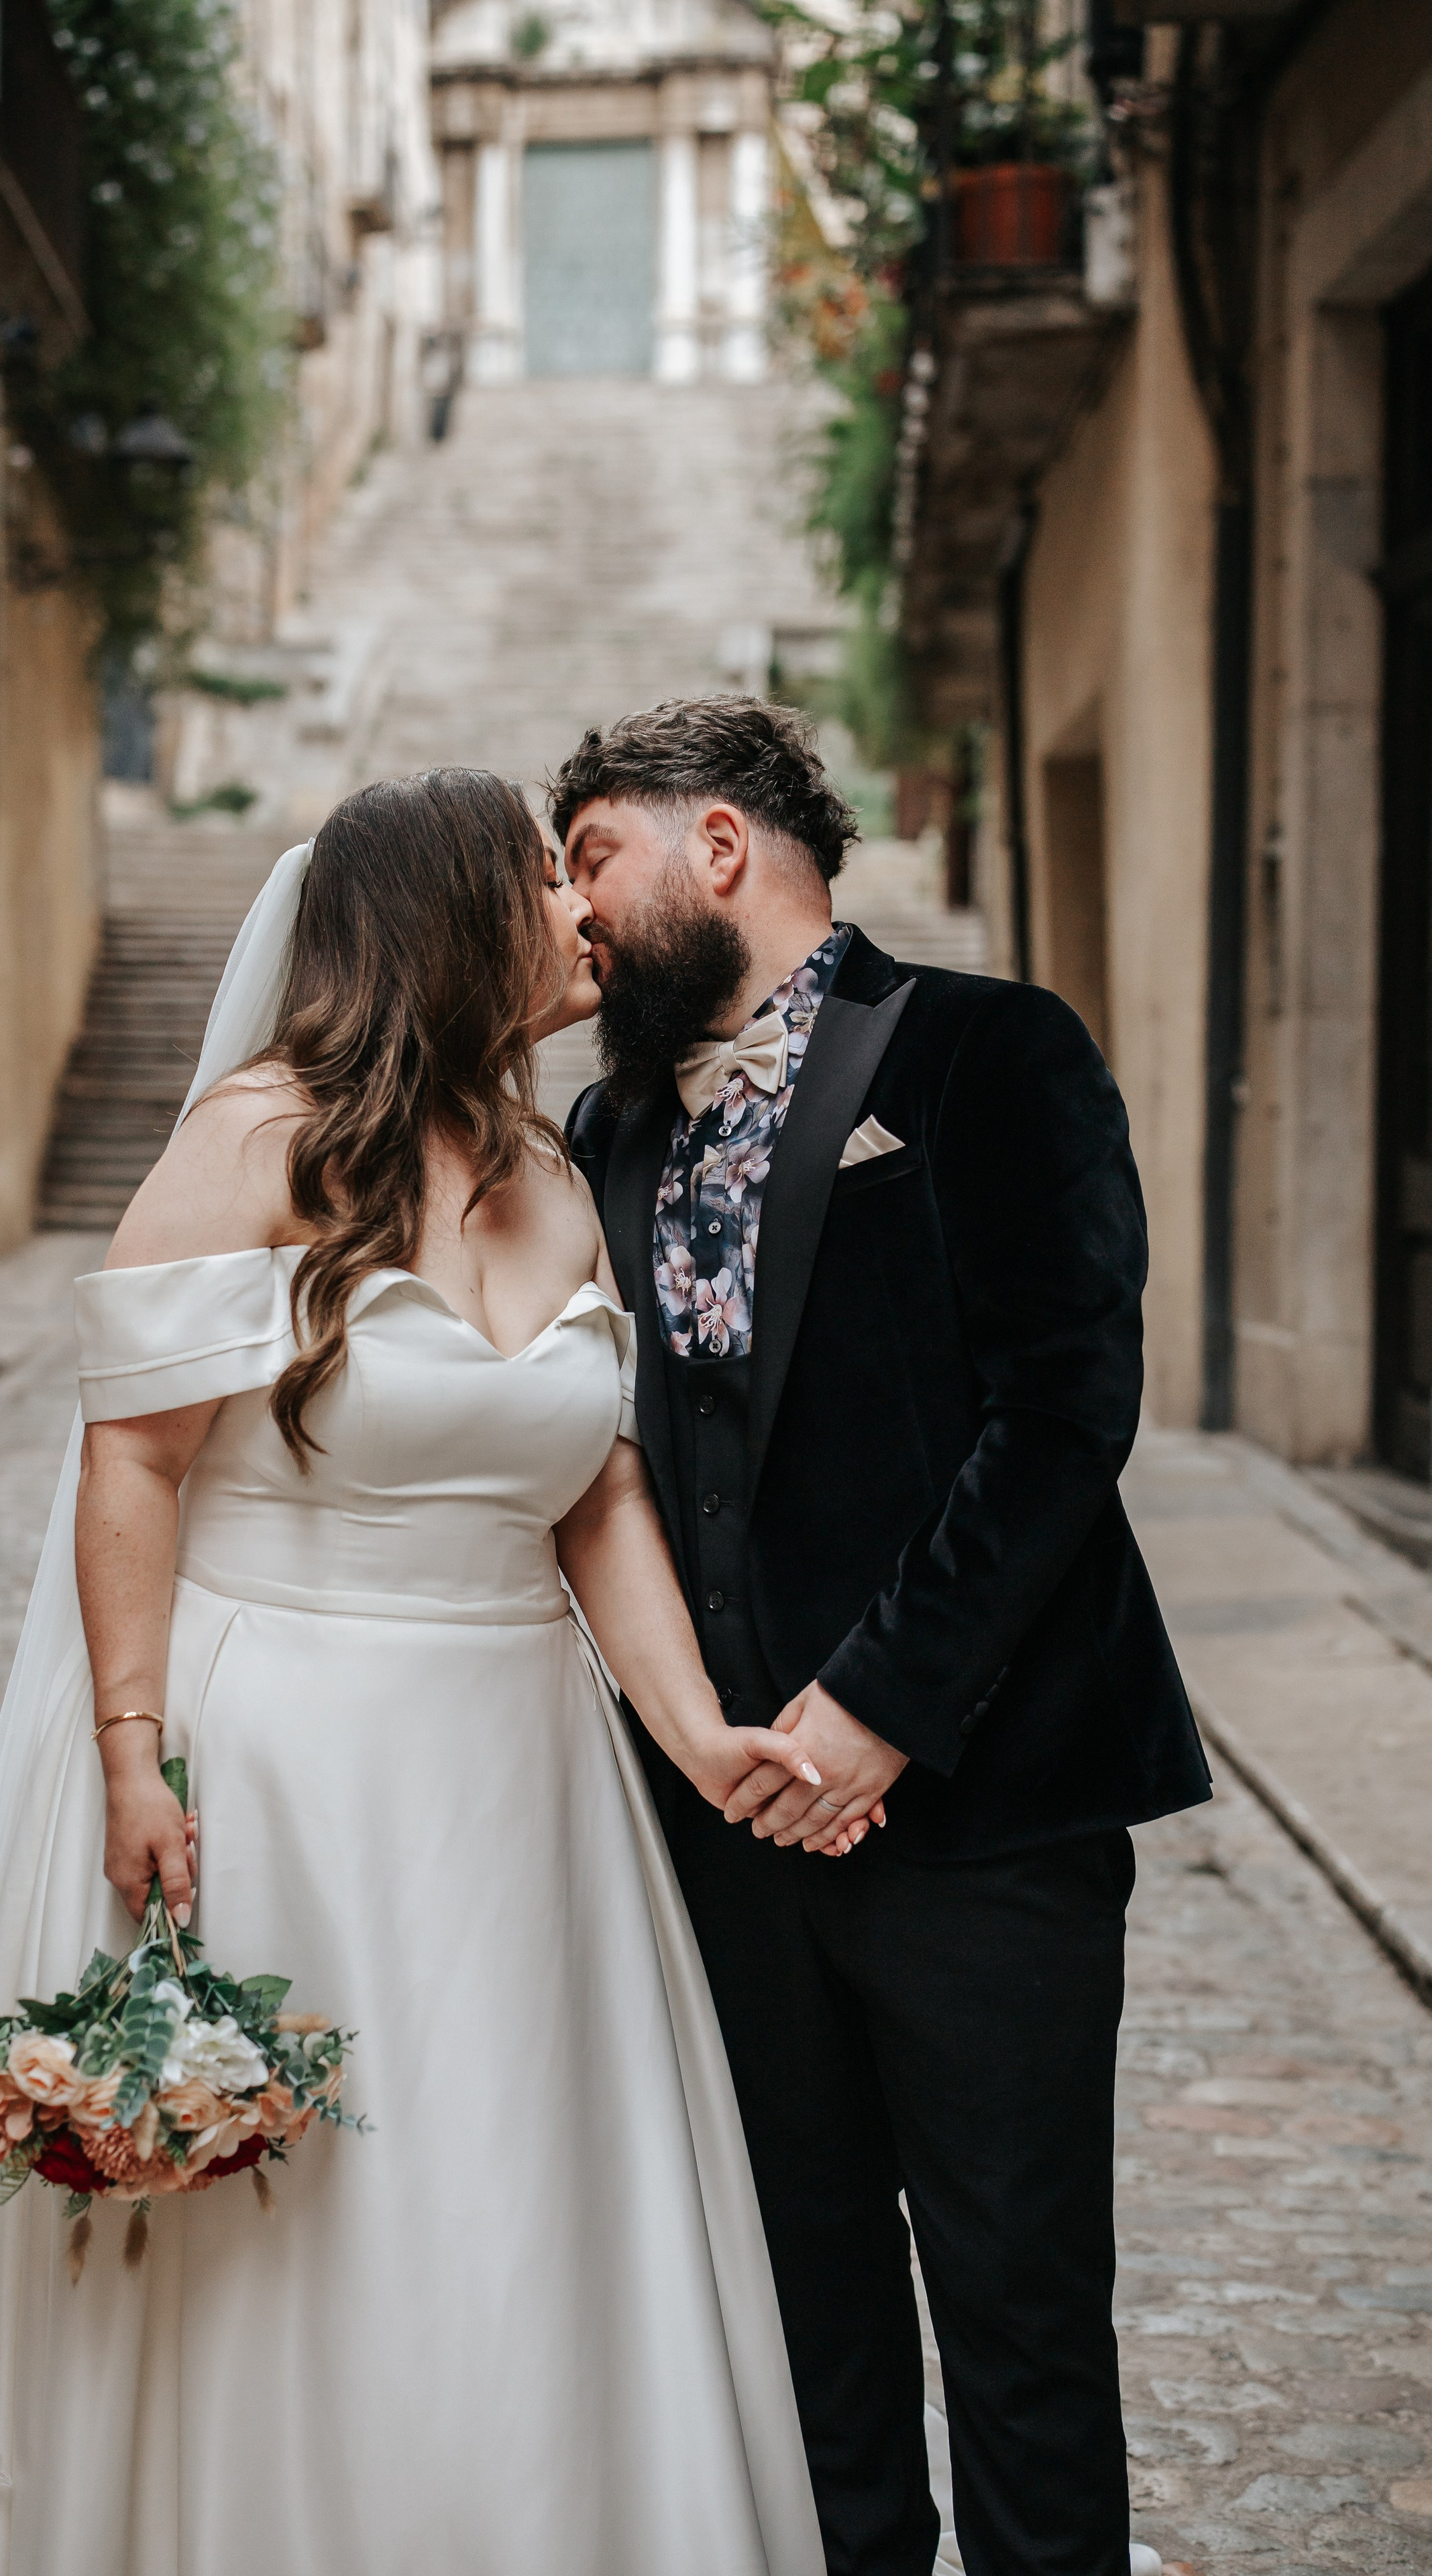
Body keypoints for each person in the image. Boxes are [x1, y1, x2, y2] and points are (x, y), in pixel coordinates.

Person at [0, 772, 833, 2576]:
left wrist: (695, 1728)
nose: (584, 915)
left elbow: (594, 1493)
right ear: (445, 919)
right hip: (299, 1771)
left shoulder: (555, 1168)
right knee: (316, 2224)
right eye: (543, 883)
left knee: (510, 2202)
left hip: (527, 1787)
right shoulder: (261, 1142)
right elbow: (136, 1463)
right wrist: (128, 1750)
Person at [556, 697, 1211, 2576]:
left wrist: (871, 1714)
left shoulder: (995, 1052)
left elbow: (1065, 1412)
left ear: (723, 844)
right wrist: (732, 1750)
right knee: (807, 2334)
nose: (575, 909)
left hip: (987, 1818)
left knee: (1019, 2331)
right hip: (727, 1842)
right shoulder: (604, 1128)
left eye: (594, 852)